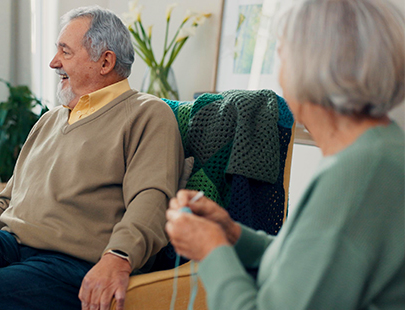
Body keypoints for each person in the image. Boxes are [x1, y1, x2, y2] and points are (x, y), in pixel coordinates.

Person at [0, 5, 183, 310]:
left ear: (105, 61)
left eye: (65, 52)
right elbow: (6, 203)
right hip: (13, 246)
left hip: (71, 263)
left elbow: (152, 198)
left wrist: (119, 256)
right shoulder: (50, 120)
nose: (53, 62)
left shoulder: (146, 113)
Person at [165, 0, 405, 309]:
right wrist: (232, 234)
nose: (278, 72)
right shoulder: (377, 151)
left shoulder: (358, 174)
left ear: (313, 66)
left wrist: (211, 251)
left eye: (281, 53)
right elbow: (308, 269)